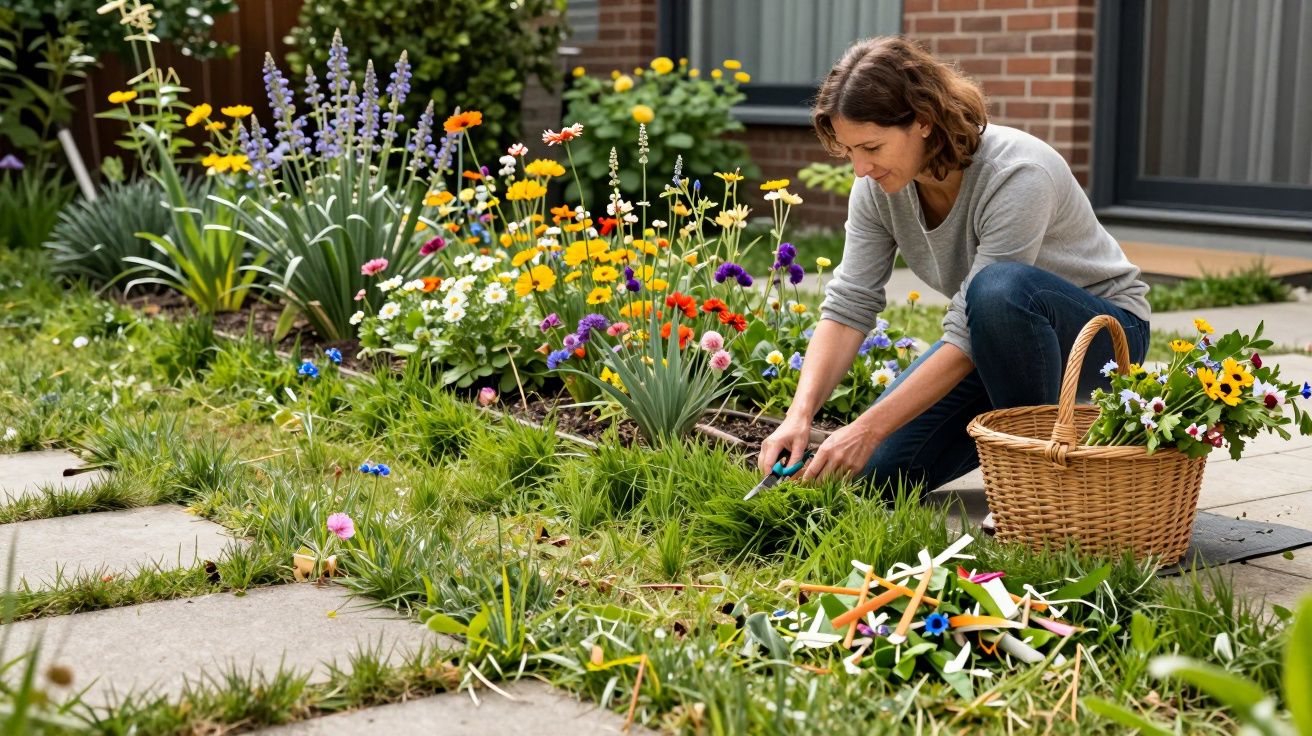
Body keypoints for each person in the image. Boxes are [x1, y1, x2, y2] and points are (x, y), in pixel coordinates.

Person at [757, 37, 1151, 495]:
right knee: (876, 476)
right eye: (850, 151)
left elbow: (973, 321)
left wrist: (866, 427)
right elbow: (849, 304)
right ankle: (1022, 454)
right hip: (995, 341)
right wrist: (798, 417)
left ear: (922, 122)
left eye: (872, 147)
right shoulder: (877, 189)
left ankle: (1033, 483)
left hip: (1100, 337)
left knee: (997, 289)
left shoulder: (1017, 172)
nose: (860, 168)